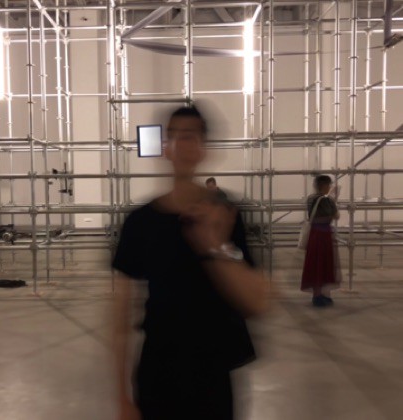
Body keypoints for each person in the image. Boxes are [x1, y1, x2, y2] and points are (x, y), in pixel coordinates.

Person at [112, 106, 268, 420]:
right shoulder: (140, 223)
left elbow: (258, 302)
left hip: (212, 371)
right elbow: (119, 317)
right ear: (165, 148)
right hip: (158, 369)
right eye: (175, 136)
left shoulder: (226, 215)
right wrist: (122, 397)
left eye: (191, 136)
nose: (182, 144)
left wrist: (215, 245)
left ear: (203, 148)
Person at [301, 175, 341, 307]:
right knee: (323, 263)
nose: (330, 187)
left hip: (314, 234)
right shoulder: (327, 200)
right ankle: (320, 296)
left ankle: (317, 294)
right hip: (323, 235)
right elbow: (335, 215)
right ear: (324, 185)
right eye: (329, 185)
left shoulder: (310, 198)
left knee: (315, 264)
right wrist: (334, 198)